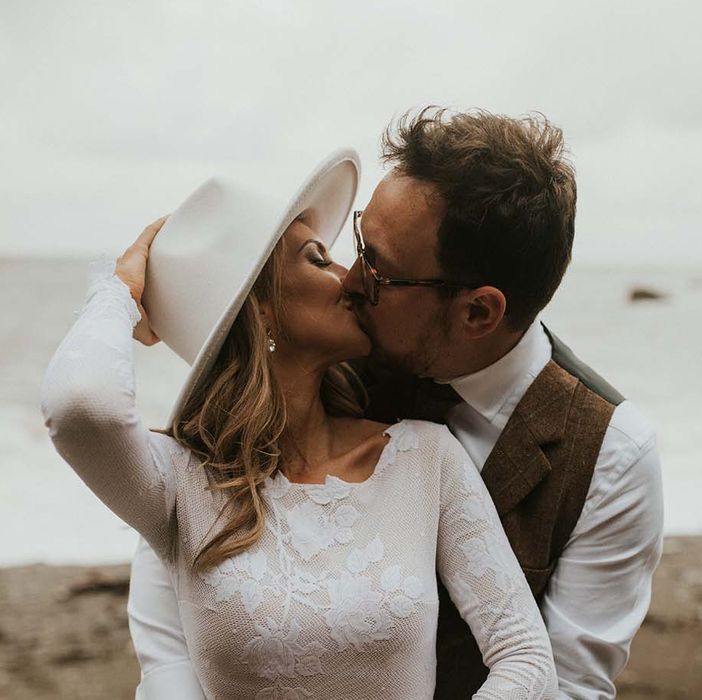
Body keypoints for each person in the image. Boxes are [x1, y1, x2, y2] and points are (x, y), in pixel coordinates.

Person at [128, 109, 664, 699]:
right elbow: (169, 633)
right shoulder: (324, 365)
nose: (350, 280)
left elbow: (569, 686)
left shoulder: (612, 451)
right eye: (359, 244)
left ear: (478, 312)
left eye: (381, 270)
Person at [39, 150, 558, 700]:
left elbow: (524, 654)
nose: (350, 279)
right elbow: (80, 407)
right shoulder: (176, 485)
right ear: (260, 308)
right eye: (317, 259)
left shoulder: (425, 458)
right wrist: (117, 292)